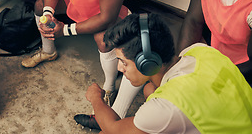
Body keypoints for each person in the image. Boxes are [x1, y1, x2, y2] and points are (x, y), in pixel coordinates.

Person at [82, 13, 252, 133]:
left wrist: (96, 98)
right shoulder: (200, 51)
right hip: (243, 121)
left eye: (123, 62)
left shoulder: (166, 107)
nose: (120, 68)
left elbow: (114, 129)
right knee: (149, 90)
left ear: (147, 63)